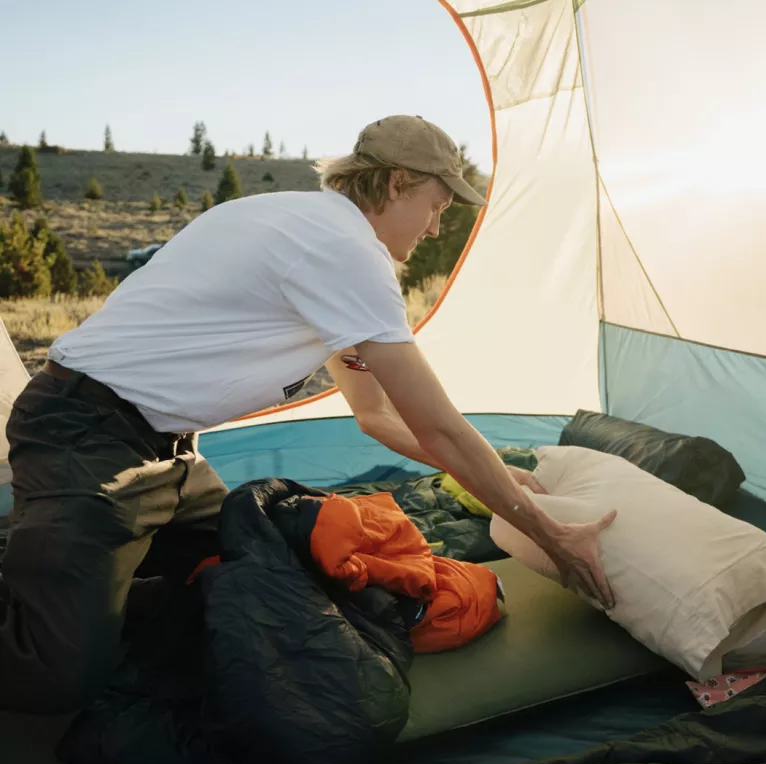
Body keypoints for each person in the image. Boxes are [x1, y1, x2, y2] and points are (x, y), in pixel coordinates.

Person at [0, 115, 615, 714]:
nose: (434, 228)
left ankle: (80, 581)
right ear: (398, 182)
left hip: (166, 452)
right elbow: (439, 426)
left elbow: (376, 416)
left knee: (267, 578)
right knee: (61, 675)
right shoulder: (343, 249)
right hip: (86, 437)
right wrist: (549, 533)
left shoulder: (303, 232)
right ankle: (65, 593)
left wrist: (502, 484)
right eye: (436, 205)